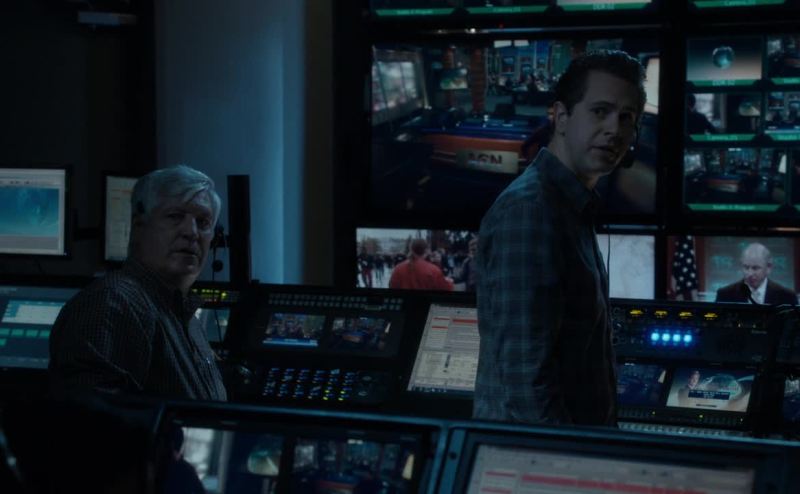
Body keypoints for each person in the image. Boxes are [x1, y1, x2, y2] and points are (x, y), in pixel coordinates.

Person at [473, 50, 645, 426]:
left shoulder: (569, 205)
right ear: (562, 117)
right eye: (600, 111)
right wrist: (567, 457)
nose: (615, 130)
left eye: (627, 117)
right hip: (539, 457)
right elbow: (526, 386)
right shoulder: (530, 210)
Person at [49, 165, 228, 401]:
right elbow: (93, 418)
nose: (191, 232)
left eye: (203, 222)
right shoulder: (112, 303)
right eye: (175, 216)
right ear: (138, 226)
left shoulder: (180, 311)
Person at [715, 242, 797, 305]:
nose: (750, 273)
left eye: (755, 268)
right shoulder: (725, 294)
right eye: (746, 267)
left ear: (768, 267)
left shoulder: (787, 296)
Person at [388, 238, 454, 291]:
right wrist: (450, 282)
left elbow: (392, 286)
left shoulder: (398, 268)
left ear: (411, 249)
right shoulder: (433, 270)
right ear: (426, 250)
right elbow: (444, 288)